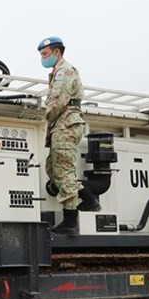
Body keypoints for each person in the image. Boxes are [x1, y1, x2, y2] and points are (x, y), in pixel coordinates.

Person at [39, 36, 100, 236]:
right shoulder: (57, 72)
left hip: (65, 123)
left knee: (63, 170)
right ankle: (89, 200)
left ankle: (70, 221)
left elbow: (58, 101)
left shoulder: (64, 71)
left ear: (57, 52)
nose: (42, 58)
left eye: (45, 54)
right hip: (62, 124)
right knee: (53, 168)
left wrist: (43, 115)